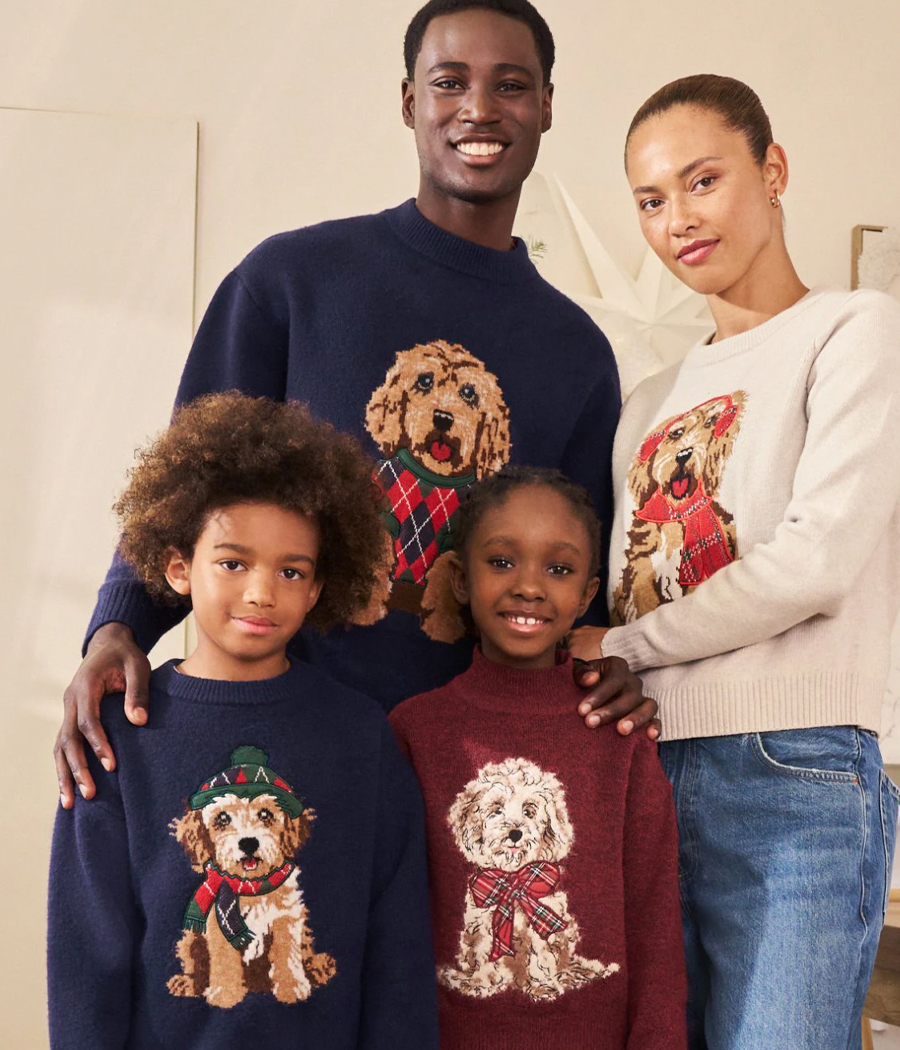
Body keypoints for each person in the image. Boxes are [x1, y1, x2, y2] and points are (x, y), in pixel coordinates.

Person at [55, 0, 659, 810]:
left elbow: (581, 577)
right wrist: (116, 628)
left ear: (547, 104)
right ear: (411, 101)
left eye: (510, 85)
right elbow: (190, 491)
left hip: (468, 774)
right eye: (450, 82)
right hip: (275, 735)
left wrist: (614, 659)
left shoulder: (577, 353)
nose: (479, 108)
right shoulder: (291, 282)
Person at [569, 73, 900, 1050]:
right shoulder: (649, 400)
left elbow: (816, 562)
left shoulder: (854, 332)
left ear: (774, 171)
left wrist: (626, 644)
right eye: (650, 200)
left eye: (703, 181)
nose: (678, 219)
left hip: (793, 772)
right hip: (645, 773)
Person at [47, 393, 438, 1049]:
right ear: (179, 567)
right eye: (233, 562)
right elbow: (88, 957)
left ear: (318, 588)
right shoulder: (120, 736)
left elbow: (397, 949)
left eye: (291, 571)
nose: (261, 592)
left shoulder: (361, 736)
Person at [391, 467, 687, 1050]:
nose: (529, 586)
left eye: (558, 569)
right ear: (460, 579)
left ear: (586, 592)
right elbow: (393, 923)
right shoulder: (414, 730)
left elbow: (655, 912)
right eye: (502, 562)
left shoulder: (619, 732)